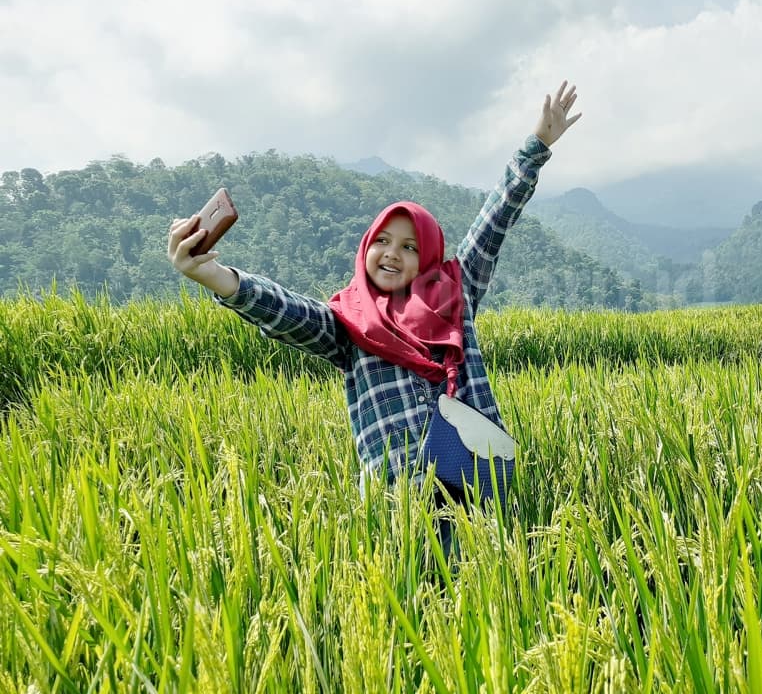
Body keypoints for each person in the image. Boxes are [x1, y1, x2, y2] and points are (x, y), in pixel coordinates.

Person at [167, 81, 582, 552]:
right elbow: (286, 312)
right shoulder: (348, 324)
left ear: (427, 255)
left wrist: (536, 147)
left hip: (476, 496)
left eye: (409, 246)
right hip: (400, 513)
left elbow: (494, 221)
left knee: (485, 602)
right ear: (366, 247)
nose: (392, 254)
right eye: (382, 241)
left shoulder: (454, 291)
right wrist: (217, 276)